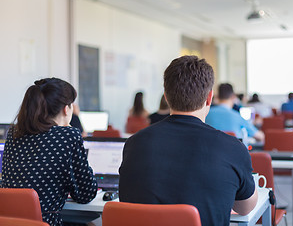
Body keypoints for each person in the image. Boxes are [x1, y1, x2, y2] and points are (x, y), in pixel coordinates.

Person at [119, 56, 258, 226]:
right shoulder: (233, 147)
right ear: (209, 98)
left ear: (167, 98)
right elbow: (245, 208)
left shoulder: (134, 143)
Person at [2, 78, 98, 226]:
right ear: (66, 108)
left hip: (10, 222)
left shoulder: (14, 133)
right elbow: (86, 194)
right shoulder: (68, 135)